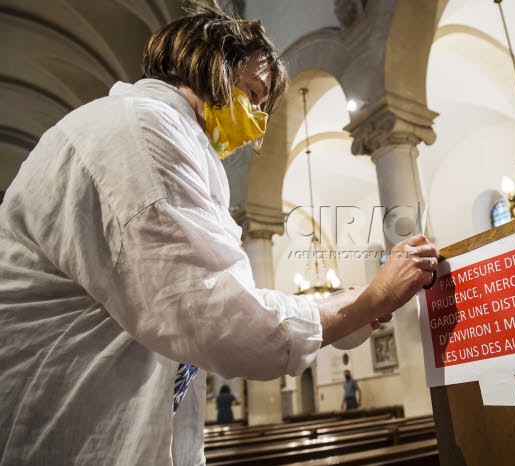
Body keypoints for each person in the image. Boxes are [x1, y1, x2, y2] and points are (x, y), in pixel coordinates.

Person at [0, 6, 439, 466]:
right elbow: (216, 314)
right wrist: (368, 300)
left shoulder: (164, 135)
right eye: (253, 93)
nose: (258, 119)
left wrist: (349, 309)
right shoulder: (141, 129)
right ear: (209, 61)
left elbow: (212, 296)